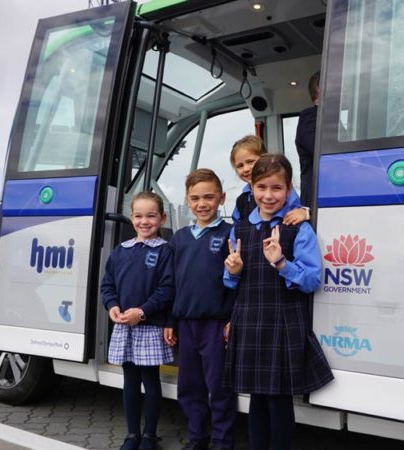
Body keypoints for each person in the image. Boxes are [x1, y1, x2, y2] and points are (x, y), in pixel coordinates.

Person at [223, 155, 333, 450]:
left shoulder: (299, 229)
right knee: (257, 398)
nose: (268, 195)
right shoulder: (240, 228)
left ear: (289, 189)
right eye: (261, 187)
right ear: (251, 187)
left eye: (276, 188)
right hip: (249, 318)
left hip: (283, 321)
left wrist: (282, 262)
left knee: (279, 399)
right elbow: (230, 281)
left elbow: (312, 281)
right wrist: (232, 271)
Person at [165, 169, 237, 450]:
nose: (202, 203)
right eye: (195, 198)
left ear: (221, 198)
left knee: (218, 387)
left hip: (215, 325)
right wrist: (171, 320)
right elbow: (172, 284)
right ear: (187, 200)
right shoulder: (180, 238)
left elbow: (237, 282)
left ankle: (222, 441)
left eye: (209, 197)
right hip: (186, 325)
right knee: (190, 387)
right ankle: (197, 438)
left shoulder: (230, 234)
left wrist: (232, 319)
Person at [101, 192, 175, 450]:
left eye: (151, 216)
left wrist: (141, 312)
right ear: (131, 218)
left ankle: (150, 435)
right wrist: (112, 306)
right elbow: (107, 285)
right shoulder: (121, 251)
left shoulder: (166, 251)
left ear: (162, 218)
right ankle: (132, 434)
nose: (145, 221)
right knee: (130, 381)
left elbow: (167, 290)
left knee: (150, 381)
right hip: (124, 326)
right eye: (139, 216)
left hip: (150, 327)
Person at [229, 135, 308, 225]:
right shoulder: (241, 200)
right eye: (240, 166)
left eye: (250, 161)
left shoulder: (284, 191)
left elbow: (296, 209)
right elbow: (236, 224)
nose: (246, 169)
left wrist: (304, 212)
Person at [295, 71, 320, 207]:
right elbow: (319, 149)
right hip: (315, 198)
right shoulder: (310, 117)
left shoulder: (329, 119)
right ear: (320, 87)